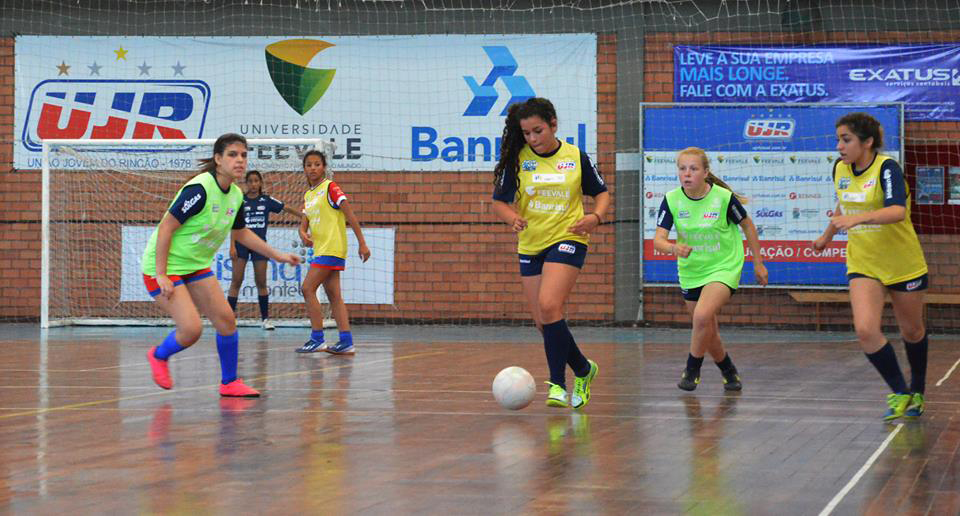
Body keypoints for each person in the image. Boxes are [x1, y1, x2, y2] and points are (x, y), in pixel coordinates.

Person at [142, 133, 301, 397]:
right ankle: (158, 355)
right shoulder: (200, 190)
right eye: (232, 155)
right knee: (191, 330)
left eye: (244, 155)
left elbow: (241, 233)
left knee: (227, 320)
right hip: (164, 267)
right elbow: (166, 228)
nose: (240, 160)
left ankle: (229, 383)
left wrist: (277, 255)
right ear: (218, 159)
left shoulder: (236, 195)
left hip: (195, 266)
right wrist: (161, 274)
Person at [490, 97, 609, 409]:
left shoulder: (575, 157)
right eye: (526, 133)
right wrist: (512, 218)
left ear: (553, 124)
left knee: (549, 304)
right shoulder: (518, 159)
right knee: (544, 322)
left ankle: (557, 384)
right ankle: (583, 369)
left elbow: (601, 193)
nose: (532, 138)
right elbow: (499, 202)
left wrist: (595, 217)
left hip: (569, 237)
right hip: (531, 243)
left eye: (538, 131)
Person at [813, 112, 929, 420]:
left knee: (912, 330)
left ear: (867, 142)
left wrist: (858, 219)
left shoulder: (887, 168)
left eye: (846, 139)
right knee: (865, 330)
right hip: (864, 263)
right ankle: (900, 392)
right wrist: (827, 236)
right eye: (838, 139)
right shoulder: (839, 168)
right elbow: (844, 202)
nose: (839, 146)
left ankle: (918, 389)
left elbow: (896, 211)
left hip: (902, 263)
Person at [653, 147, 768, 392]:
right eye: (682, 168)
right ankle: (728, 369)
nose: (687, 173)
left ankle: (692, 368)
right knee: (707, 329)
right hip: (691, 271)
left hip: (724, 266)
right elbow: (658, 240)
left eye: (693, 168)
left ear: (705, 172)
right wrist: (674, 248)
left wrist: (758, 262)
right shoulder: (672, 199)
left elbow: (748, 226)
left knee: (702, 317)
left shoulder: (723, 198)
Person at [295, 150, 370, 355]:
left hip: (332, 247)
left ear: (324, 167)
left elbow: (350, 215)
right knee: (334, 295)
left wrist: (362, 243)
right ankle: (346, 341)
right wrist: (303, 233)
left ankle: (317, 338)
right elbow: (304, 224)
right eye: (309, 165)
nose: (313, 168)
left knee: (307, 288)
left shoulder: (330, 187)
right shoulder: (308, 195)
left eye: (317, 164)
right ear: (304, 169)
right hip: (321, 249)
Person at [227, 169, 302, 330]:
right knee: (236, 281)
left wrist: (304, 216)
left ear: (260, 183)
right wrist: (232, 245)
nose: (253, 184)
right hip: (240, 245)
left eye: (256, 181)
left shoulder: (266, 200)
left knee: (261, 282)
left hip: (259, 246)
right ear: (246, 183)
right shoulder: (240, 200)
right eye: (250, 181)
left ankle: (265, 319)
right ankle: (228, 318)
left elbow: (286, 207)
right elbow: (233, 224)